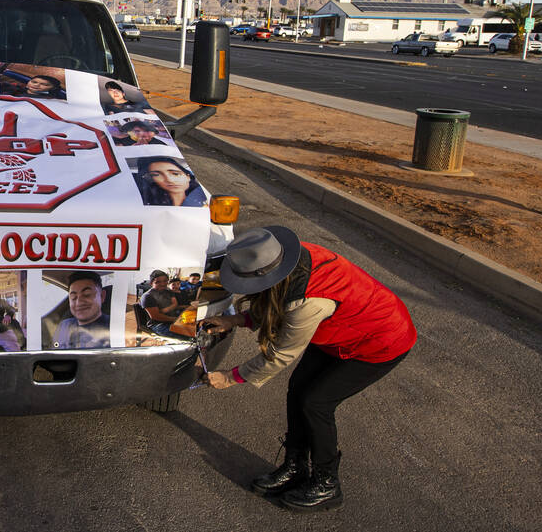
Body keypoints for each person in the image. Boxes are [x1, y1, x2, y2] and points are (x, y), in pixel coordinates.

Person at [200, 226, 417, 512]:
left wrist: (230, 377)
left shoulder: (308, 302)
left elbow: (280, 355)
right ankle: (295, 466)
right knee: (298, 390)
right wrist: (235, 321)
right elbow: (276, 300)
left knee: (316, 403)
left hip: (381, 340)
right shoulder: (286, 261)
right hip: (339, 331)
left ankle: (327, 483)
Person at [52, 271, 111, 349]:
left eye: (87, 294)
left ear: (102, 296)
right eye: (73, 297)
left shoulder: (113, 325)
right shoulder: (64, 325)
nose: (79, 302)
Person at [137, 156, 206, 207]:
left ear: (188, 177)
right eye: (156, 175)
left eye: (176, 174)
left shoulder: (203, 200)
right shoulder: (145, 203)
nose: (169, 180)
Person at [139, 271, 187, 337]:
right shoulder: (147, 296)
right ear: (151, 283)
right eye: (158, 282)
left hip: (172, 318)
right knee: (186, 335)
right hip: (158, 324)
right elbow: (156, 317)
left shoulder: (168, 290)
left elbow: (175, 304)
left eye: (165, 281)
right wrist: (176, 319)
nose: (162, 284)